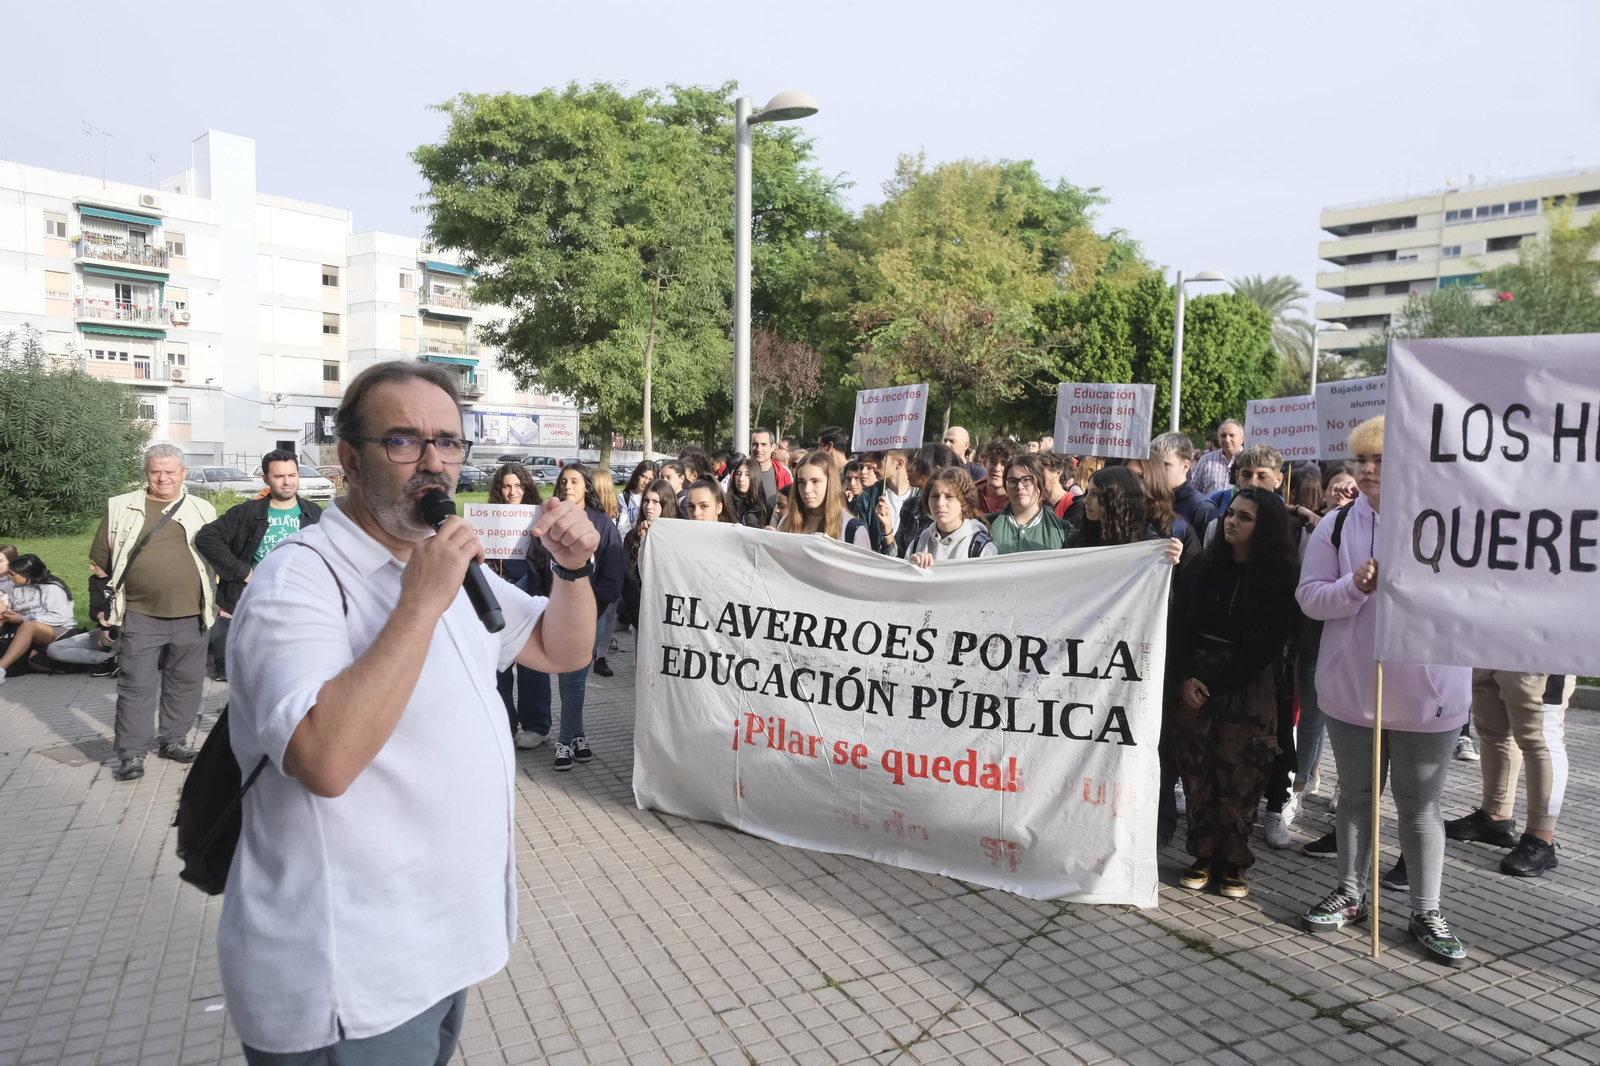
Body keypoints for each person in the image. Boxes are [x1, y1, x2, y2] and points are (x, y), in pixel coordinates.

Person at [221, 358, 602, 1063]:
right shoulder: (298, 581)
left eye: (448, 442)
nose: (433, 462)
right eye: (403, 441)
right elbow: (324, 760)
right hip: (354, 975)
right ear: (348, 461)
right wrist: (420, 603)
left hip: (443, 946)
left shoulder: (444, 562)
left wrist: (572, 571)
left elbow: (561, 646)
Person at [1295, 416, 1472, 967]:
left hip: (1429, 695)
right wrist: (1354, 586)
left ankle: (1426, 909)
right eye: (1361, 461)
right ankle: (1351, 892)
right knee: (1355, 797)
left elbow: (1476, 600)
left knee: (1421, 808)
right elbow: (1309, 598)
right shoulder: (1337, 526)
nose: (1368, 470)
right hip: (1354, 691)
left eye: (1380, 460)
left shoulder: (1453, 521)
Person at [1168, 489, 1300, 900]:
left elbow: (1266, 645)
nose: (1231, 522)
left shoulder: (1279, 578)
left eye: (1244, 517)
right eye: (1230, 514)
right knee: (1198, 771)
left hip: (1247, 686)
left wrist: (1217, 685)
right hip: (1196, 681)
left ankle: (1234, 861)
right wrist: (1187, 677)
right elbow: (1181, 625)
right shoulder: (1204, 567)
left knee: (1240, 776)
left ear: (1266, 528)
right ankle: (1203, 854)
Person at [90, 442, 218, 782]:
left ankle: (174, 741)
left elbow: (215, 556)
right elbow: (102, 563)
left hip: (193, 614)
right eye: (155, 471)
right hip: (139, 614)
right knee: (136, 686)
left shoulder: (203, 509)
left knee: (186, 683)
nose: (163, 478)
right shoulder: (120, 507)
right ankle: (131, 754)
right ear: (146, 472)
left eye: (170, 471)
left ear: (183, 473)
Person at [195, 449, 324, 683]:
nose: (287, 482)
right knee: (256, 677)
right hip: (257, 608)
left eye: (292, 475)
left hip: (299, 607)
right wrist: (243, 572)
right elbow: (206, 537)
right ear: (265, 479)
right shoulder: (247, 513)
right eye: (279, 476)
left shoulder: (313, 513)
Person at [1444, 671, 1576, 877]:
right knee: (1492, 730)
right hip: (1490, 644)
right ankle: (1494, 818)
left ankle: (1541, 837)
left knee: (1541, 738)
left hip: (1542, 648)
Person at [537, 463, 625, 763]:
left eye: (575, 481)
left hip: (590, 615)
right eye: (563, 481)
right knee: (566, 677)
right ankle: (578, 735)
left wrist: (589, 607)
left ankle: (563, 742)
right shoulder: (548, 523)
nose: (568, 486)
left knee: (575, 678)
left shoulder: (603, 525)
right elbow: (540, 568)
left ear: (587, 486)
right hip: (556, 614)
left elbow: (614, 576)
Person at [484, 464, 546, 746]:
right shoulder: (489, 518)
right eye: (506, 486)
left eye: (518, 486)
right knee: (499, 665)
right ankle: (505, 723)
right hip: (497, 593)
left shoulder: (538, 517)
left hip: (529, 594)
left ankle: (537, 726)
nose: (512, 492)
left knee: (533, 664)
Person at [0, 554, 75, 681]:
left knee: (29, 627)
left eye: (12, 574)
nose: (9, 577)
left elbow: (59, 617)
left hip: (59, 630)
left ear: (26, 574)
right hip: (26, 628)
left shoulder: (51, 588)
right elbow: (17, 612)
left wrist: (24, 619)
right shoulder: (17, 588)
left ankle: (1, 668)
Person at [618, 479, 678, 632]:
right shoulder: (633, 536)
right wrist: (638, 611)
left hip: (672, 614)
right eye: (645, 500)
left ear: (667, 503)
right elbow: (629, 579)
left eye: (655, 501)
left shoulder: (679, 534)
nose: (648, 507)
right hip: (641, 614)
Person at [777, 451, 870, 547]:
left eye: (815, 481)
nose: (807, 489)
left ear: (830, 483)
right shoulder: (786, 522)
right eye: (801, 482)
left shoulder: (852, 529)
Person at [907, 467, 996, 566]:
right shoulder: (918, 542)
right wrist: (911, 567)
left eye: (949, 496)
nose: (940, 503)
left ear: (964, 502)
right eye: (935, 496)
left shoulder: (980, 548)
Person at [986, 453, 1072, 554]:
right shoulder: (987, 525)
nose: (1020, 487)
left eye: (1027, 480)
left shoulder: (1063, 530)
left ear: (1040, 483)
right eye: (1012, 481)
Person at [1150, 432, 1218, 537]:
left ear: (1185, 466)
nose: (1158, 471)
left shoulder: (1202, 508)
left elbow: (1208, 551)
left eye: (1165, 465)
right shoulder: (1148, 501)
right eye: (1155, 465)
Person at [588, 474, 622, 677]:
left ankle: (601, 655)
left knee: (608, 612)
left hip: (610, 565)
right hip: (595, 570)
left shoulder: (614, 513)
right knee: (605, 614)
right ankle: (598, 654)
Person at [852, 449, 914, 556]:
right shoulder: (868, 496)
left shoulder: (922, 497)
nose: (873, 464)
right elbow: (861, 542)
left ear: (899, 463)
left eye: (879, 458)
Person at [1188, 418, 1244, 495]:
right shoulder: (1206, 460)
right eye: (1223, 436)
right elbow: (1194, 491)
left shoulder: (1249, 461)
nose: (1227, 439)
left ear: (1242, 438)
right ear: (1218, 438)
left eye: (1232, 435)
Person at [749, 427, 793, 505]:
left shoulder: (784, 474)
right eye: (755, 444)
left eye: (764, 444)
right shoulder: (739, 473)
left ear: (773, 447)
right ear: (750, 446)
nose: (759, 449)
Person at [617, 460, 659, 536]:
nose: (645, 482)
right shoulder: (624, 497)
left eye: (650, 479)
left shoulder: (657, 498)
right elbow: (622, 528)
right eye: (643, 476)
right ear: (636, 475)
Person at [726, 458, 772, 528]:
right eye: (738, 474)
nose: (741, 479)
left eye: (747, 475)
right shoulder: (726, 504)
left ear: (755, 477)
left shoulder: (765, 508)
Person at [975, 439, 1015, 514]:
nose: (997, 469)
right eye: (993, 461)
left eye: (1004, 463)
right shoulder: (971, 493)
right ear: (984, 463)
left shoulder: (1017, 499)